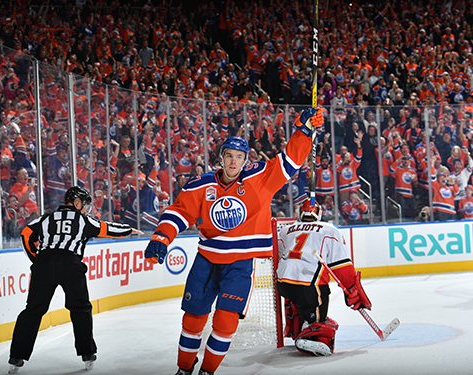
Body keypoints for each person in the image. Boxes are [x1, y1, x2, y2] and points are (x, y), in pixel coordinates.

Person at [144, 108, 325, 375]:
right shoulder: (200, 185)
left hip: (240, 264)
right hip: (206, 261)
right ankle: (184, 369)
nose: (233, 162)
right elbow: (180, 212)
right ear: (221, 158)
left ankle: (207, 371)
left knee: (225, 322)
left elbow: (290, 160)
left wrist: (304, 129)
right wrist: (162, 236)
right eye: (229, 156)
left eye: (239, 157)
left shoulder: (260, 178)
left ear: (245, 160)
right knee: (193, 321)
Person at [8, 186, 143, 373]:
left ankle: (16, 357)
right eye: (85, 205)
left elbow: (26, 234)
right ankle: (87, 353)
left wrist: (37, 260)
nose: (86, 209)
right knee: (80, 308)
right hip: (71, 264)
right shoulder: (84, 220)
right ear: (77, 203)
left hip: (44, 263)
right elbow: (107, 228)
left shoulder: (46, 218)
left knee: (33, 310)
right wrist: (129, 230)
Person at [275, 200, 371, 356]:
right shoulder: (330, 230)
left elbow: (278, 256)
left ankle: (298, 328)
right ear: (319, 213)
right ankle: (310, 332)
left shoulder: (285, 230)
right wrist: (351, 289)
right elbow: (341, 266)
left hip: (282, 285)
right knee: (319, 302)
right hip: (309, 287)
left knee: (298, 298)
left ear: (300, 213)